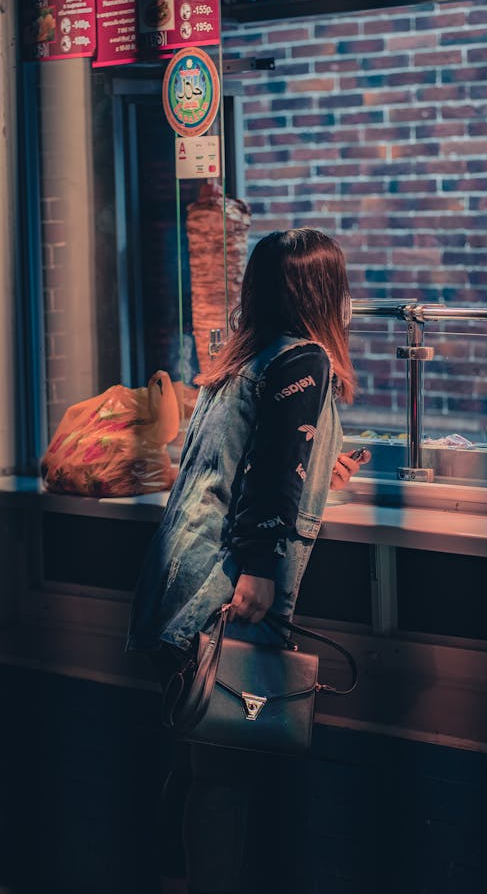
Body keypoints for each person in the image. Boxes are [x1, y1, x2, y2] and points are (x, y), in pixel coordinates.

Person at [127, 228, 369, 894]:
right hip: (226, 594)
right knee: (225, 782)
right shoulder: (304, 359)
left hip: (173, 590)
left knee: (196, 760)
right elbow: (267, 480)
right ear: (322, 293)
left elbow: (238, 459)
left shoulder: (236, 362)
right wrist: (260, 570)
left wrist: (323, 469)